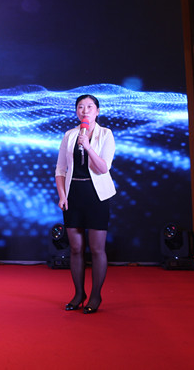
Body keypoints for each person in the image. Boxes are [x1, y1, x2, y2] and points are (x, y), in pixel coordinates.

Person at [54, 94, 116, 314]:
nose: (85, 110)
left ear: (97, 111)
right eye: (80, 107)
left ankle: (96, 295)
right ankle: (78, 294)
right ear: (76, 111)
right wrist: (62, 196)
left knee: (97, 249)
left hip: (97, 195)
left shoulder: (105, 134)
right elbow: (60, 169)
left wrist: (88, 147)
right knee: (76, 248)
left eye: (90, 107)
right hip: (74, 195)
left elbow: (103, 167)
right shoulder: (69, 135)